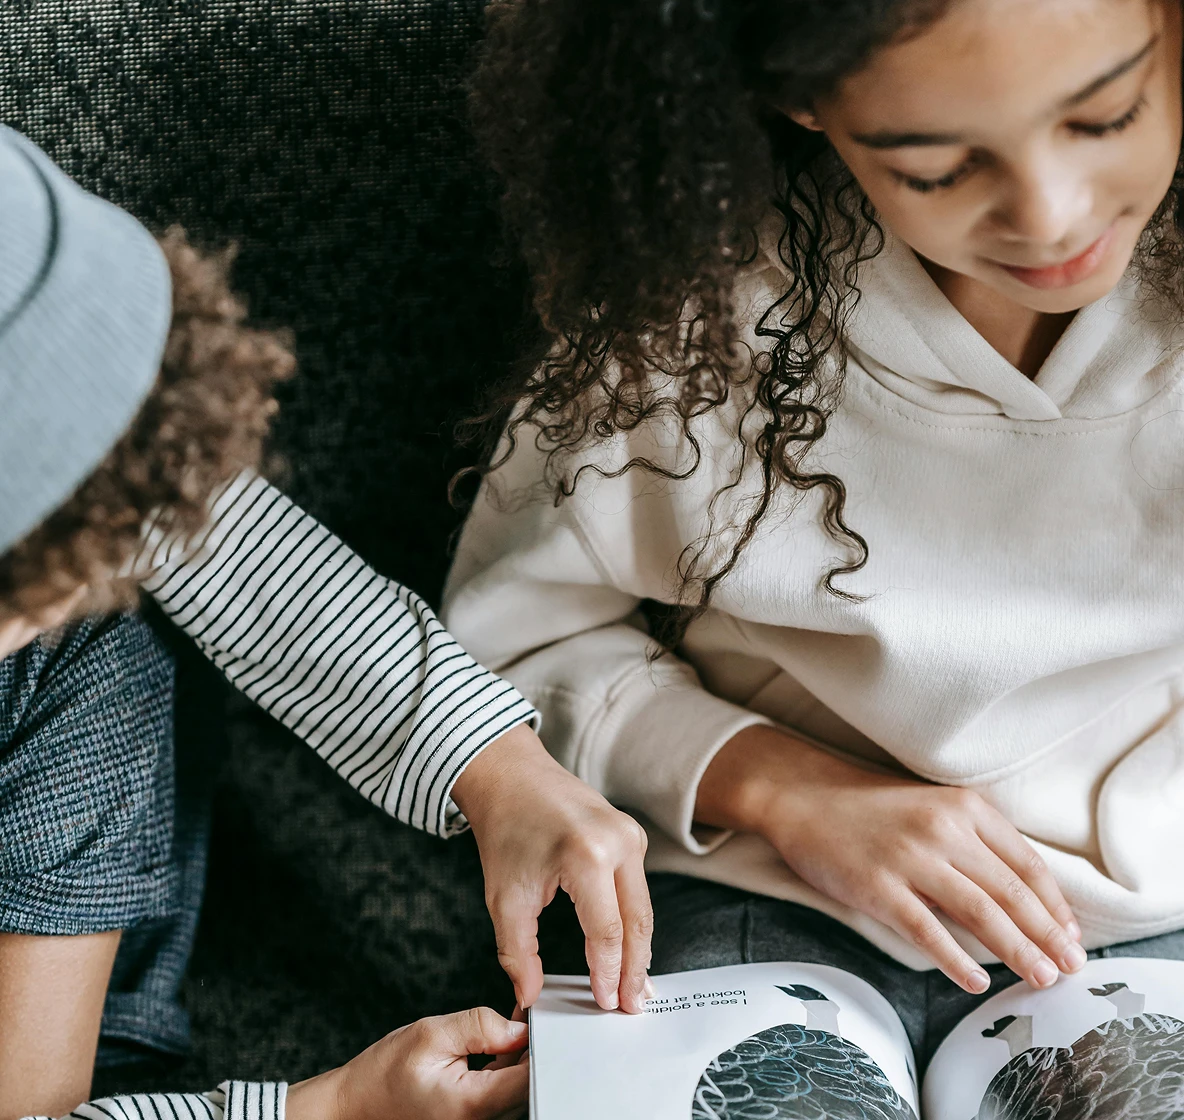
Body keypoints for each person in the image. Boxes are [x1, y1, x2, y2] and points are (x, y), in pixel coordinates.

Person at [444, 0, 1184, 1067]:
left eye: (1105, 117)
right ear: (801, 99)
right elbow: (503, 654)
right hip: (771, 897)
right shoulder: (690, 323)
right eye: (936, 168)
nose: (1049, 215)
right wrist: (778, 788)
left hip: (1149, 916)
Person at [0, 124, 650, 1120]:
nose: (85, 587)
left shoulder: (78, 645)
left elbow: (200, 530)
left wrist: (496, 766)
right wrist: (325, 1109)